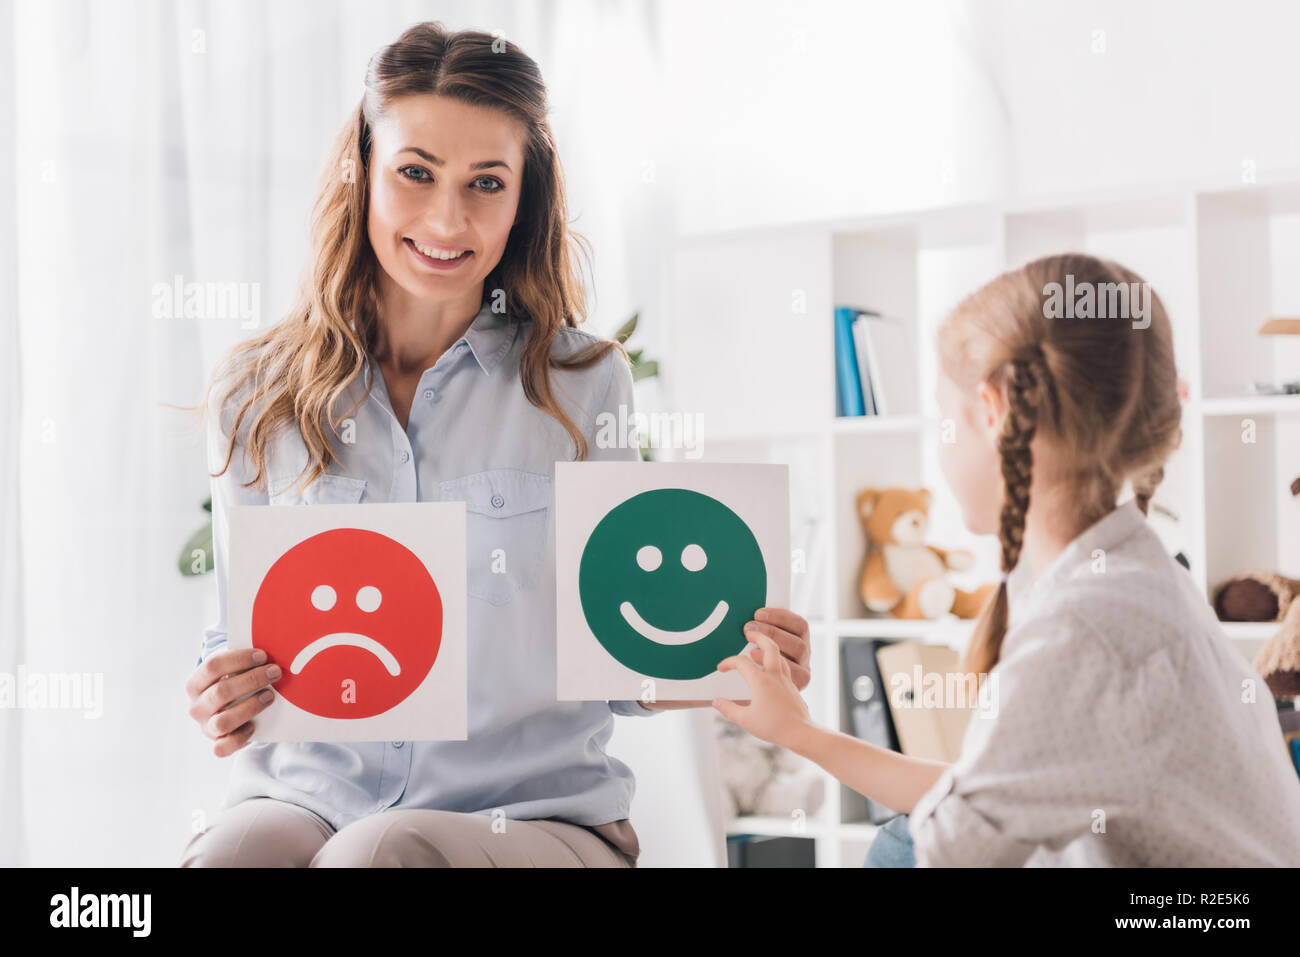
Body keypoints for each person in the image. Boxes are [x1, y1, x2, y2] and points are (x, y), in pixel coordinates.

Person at [181, 22, 811, 868]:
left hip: (532, 812)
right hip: (309, 795)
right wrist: (223, 691)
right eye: (415, 172)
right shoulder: (256, 391)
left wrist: (726, 656)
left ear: (525, 200)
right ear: (361, 170)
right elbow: (235, 637)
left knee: (378, 854)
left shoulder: (583, 383)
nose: (449, 218)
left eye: (487, 182)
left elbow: (615, 660)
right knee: (236, 856)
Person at [716, 253, 1300, 866]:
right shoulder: (1134, 575)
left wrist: (802, 737)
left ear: (993, 411)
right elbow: (975, 801)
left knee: (900, 849)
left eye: (948, 420)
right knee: (902, 839)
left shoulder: (1087, 623)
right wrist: (801, 735)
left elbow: (953, 850)